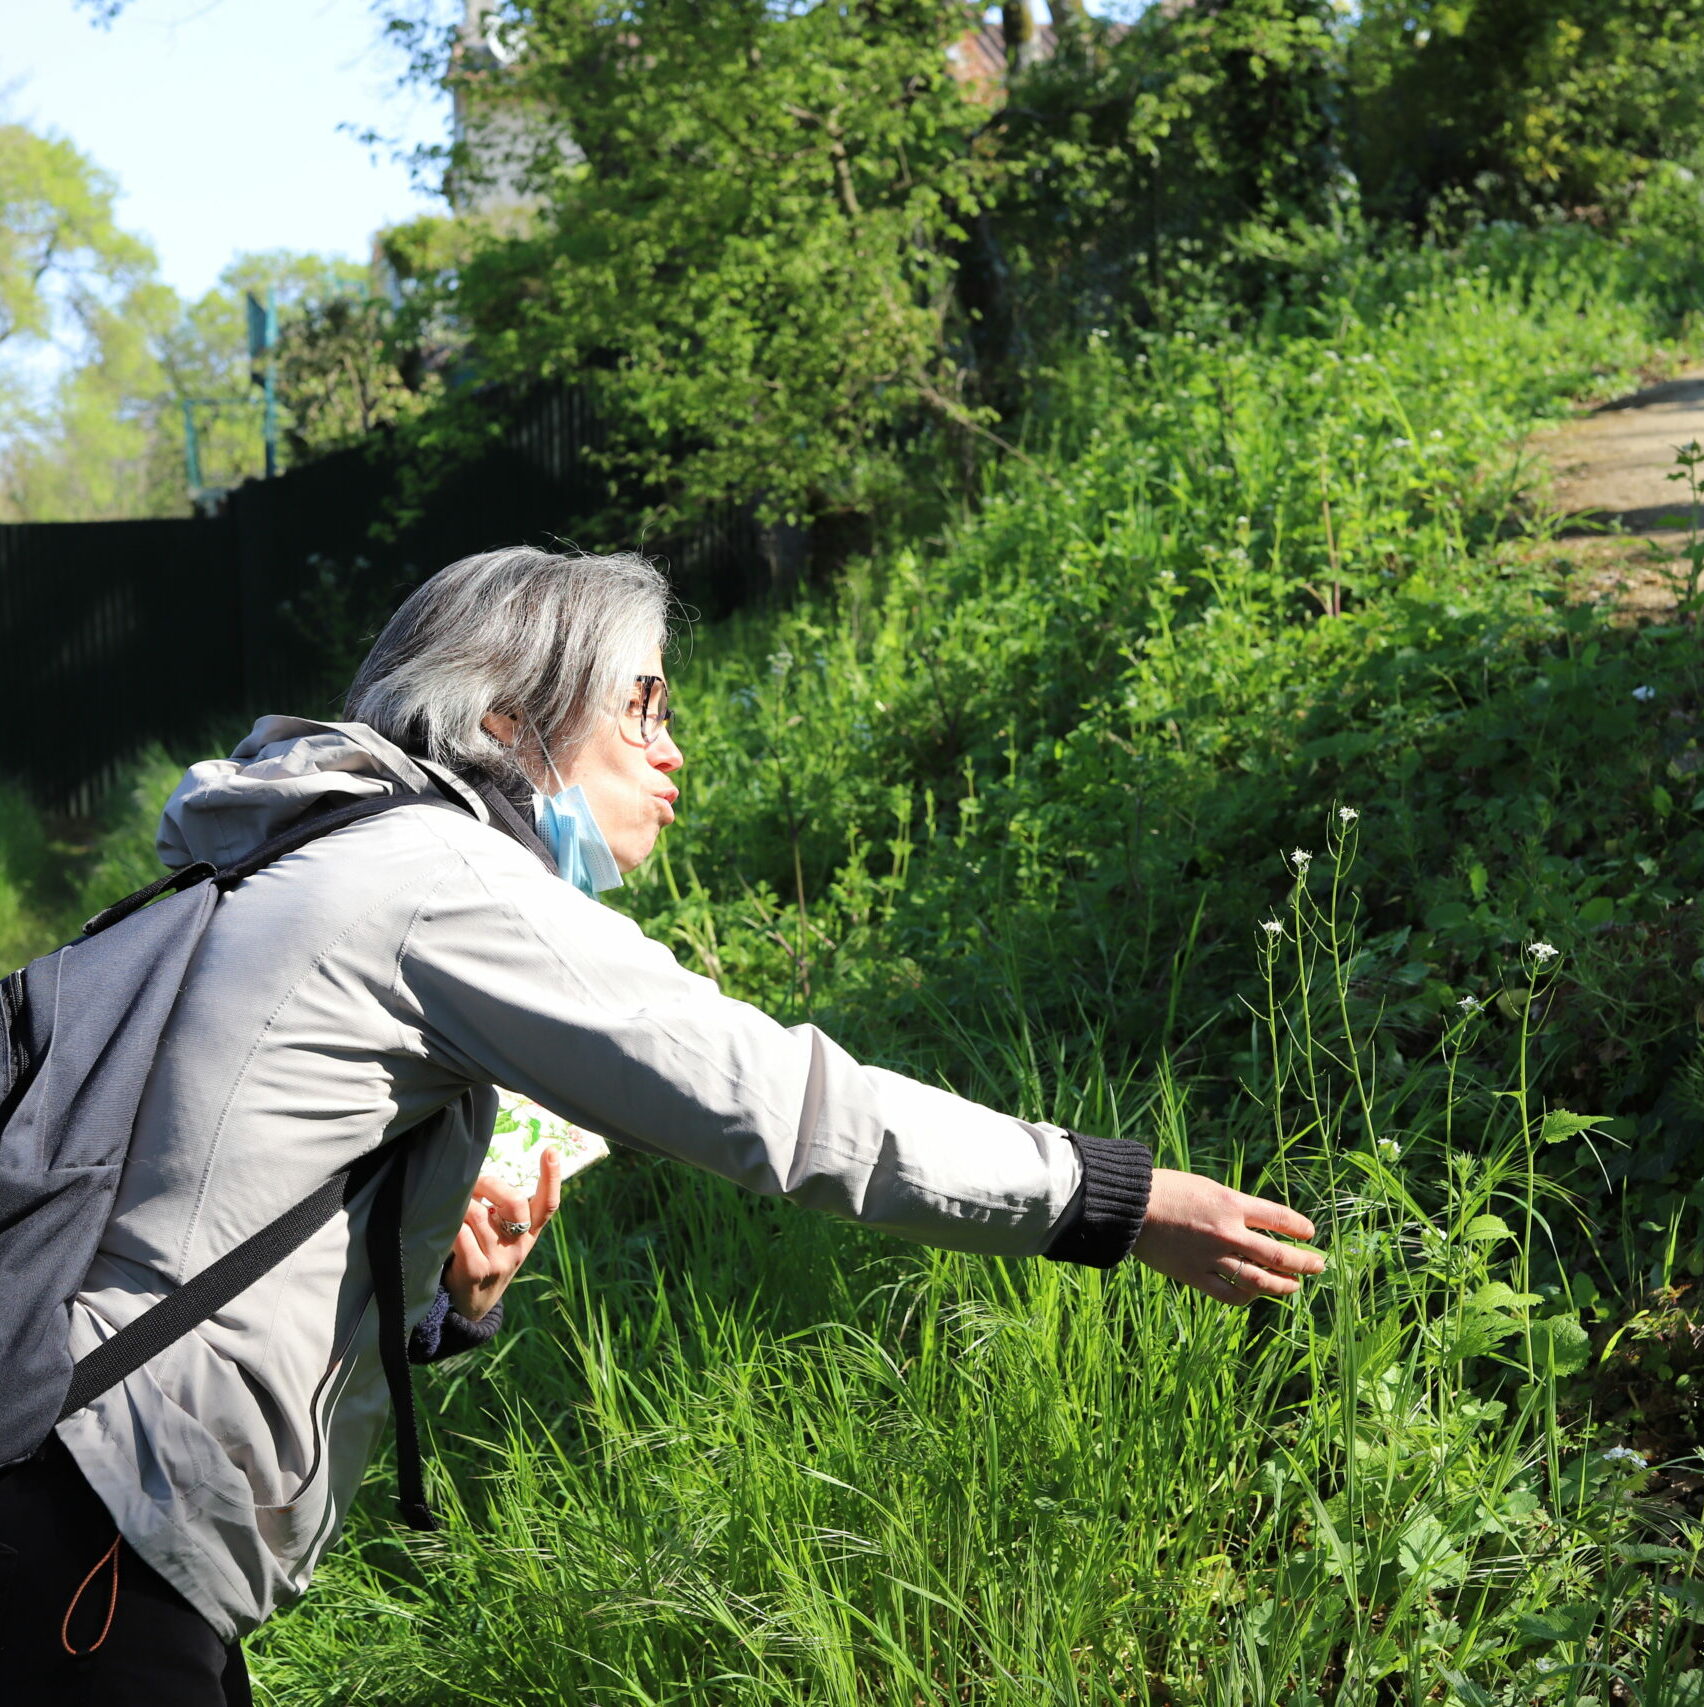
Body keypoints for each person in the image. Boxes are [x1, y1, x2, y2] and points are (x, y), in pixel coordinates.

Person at [0, 546, 1323, 1703]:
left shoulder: (296, 856)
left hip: (81, 1500)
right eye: (640, 713)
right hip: (101, 1519)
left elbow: (202, 1206)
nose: (675, 751)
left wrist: (439, 1299)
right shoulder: (435, 877)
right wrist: (1110, 1198)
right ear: (511, 722)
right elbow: (787, 1104)